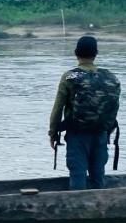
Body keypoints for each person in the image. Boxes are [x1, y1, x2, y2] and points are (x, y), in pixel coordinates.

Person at [49, 35, 121, 190]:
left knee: (78, 176)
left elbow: (58, 108)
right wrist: (107, 132)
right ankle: (99, 209)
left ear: (76, 53)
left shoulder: (69, 77)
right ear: (96, 53)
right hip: (101, 134)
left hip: (77, 135)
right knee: (98, 177)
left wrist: (53, 133)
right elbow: (113, 108)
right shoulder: (111, 77)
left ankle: (78, 211)